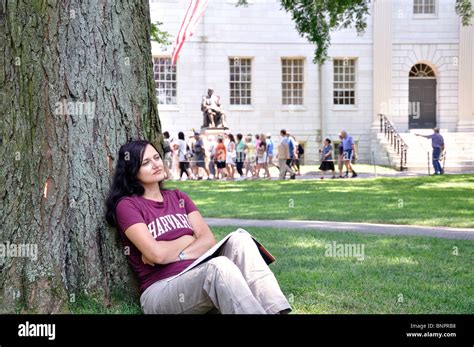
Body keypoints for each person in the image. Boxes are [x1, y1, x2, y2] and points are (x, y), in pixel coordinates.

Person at [105, 140, 291, 314]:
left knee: (240, 239)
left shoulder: (178, 198)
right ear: (132, 170)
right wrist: (189, 239)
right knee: (218, 266)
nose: (156, 164)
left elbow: (208, 241)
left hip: (197, 271)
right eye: (145, 162)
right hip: (161, 288)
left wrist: (179, 253)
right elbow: (156, 254)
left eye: (156, 157)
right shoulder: (128, 206)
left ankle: (276, 310)